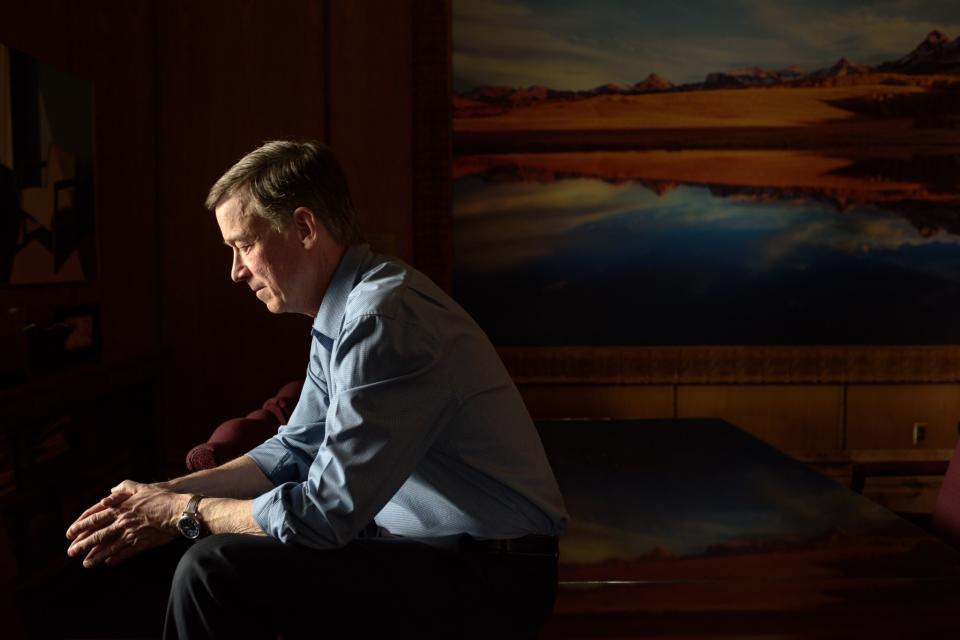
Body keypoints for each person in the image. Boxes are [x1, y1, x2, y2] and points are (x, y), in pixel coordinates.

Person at [64, 140, 569, 638]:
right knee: (162, 554)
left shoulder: (381, 318)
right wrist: (162, 495)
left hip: (493, 577)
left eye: (244, 245)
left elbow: (324, 516)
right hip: (428, 552)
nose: (236, 271)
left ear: (305, 227)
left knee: (211, 570)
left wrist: (183, 513)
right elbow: (295, 449)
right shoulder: (348, 311)